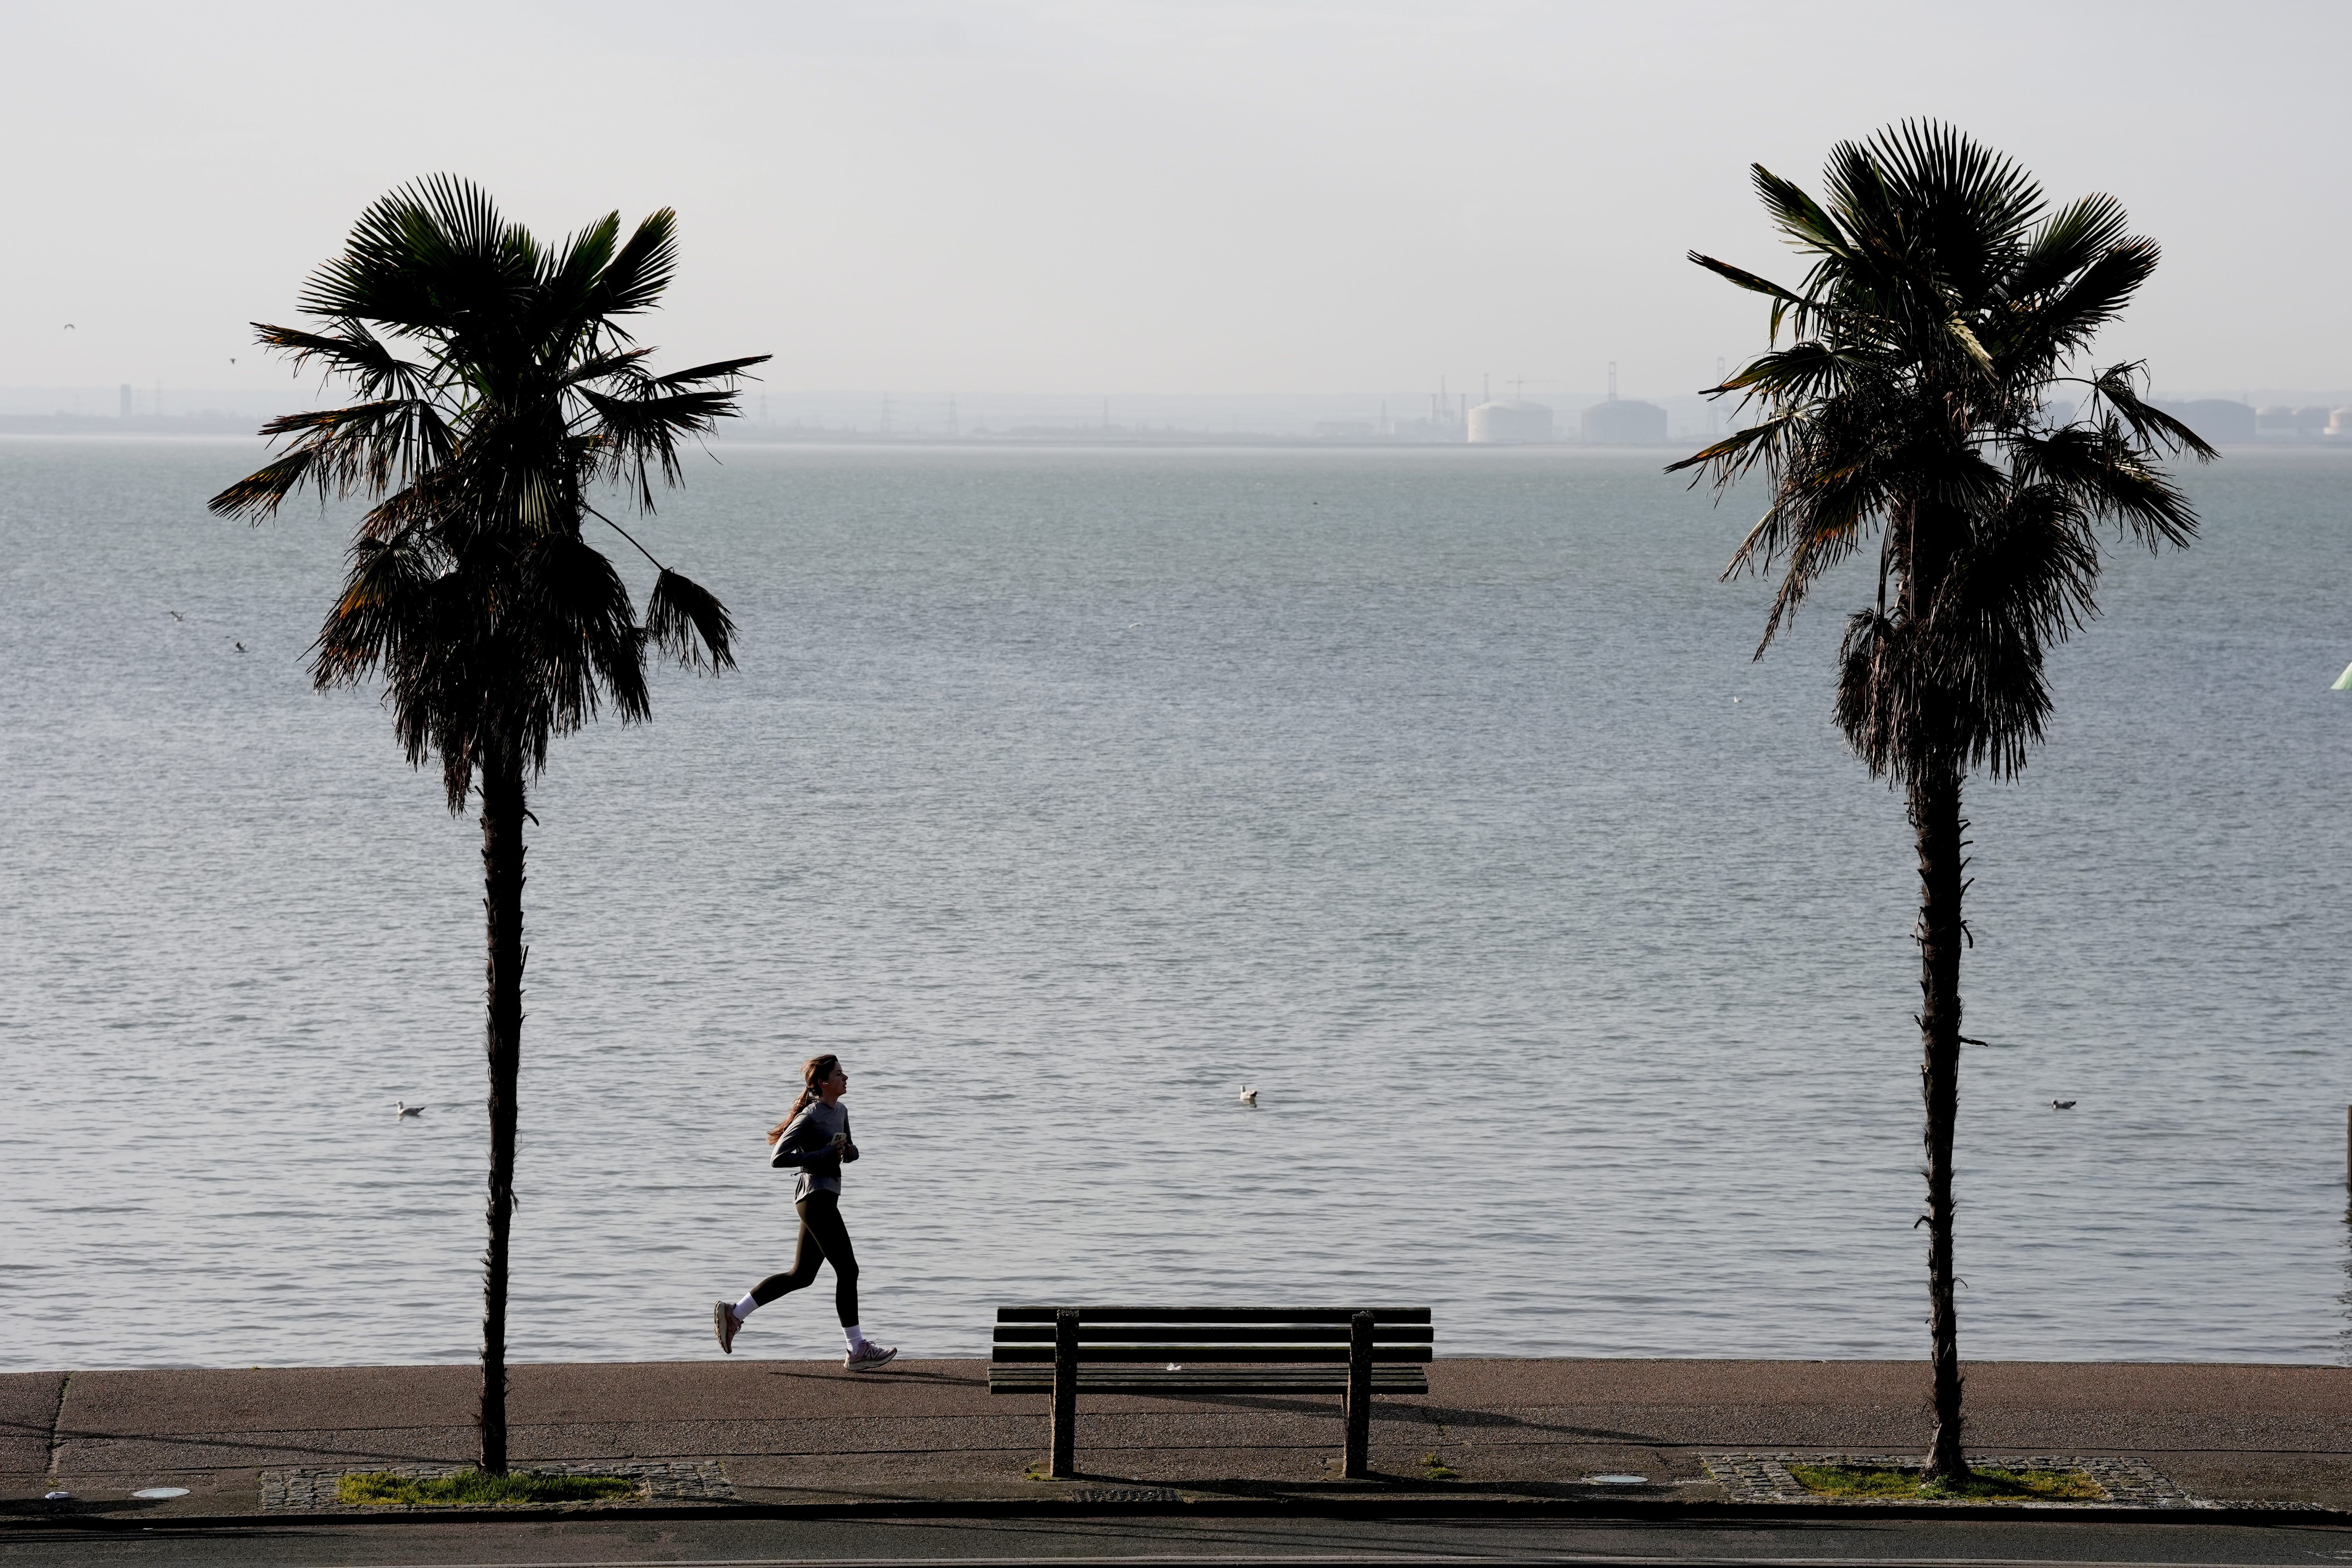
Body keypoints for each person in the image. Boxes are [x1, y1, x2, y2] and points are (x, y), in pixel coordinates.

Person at [713, 1054, 897, 1369]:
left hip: (827, 1198)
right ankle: (856, 1349)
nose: (846, 1078)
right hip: (814, 1198)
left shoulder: (841, 1111)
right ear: (824, 1082)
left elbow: (847, 1150)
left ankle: (735, 1313)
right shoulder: (811, 1115)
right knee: (849, 1270)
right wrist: (822, 1154)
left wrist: (849, 1152)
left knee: (802, 1276)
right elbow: (778, 1157)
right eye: (840, 1074)